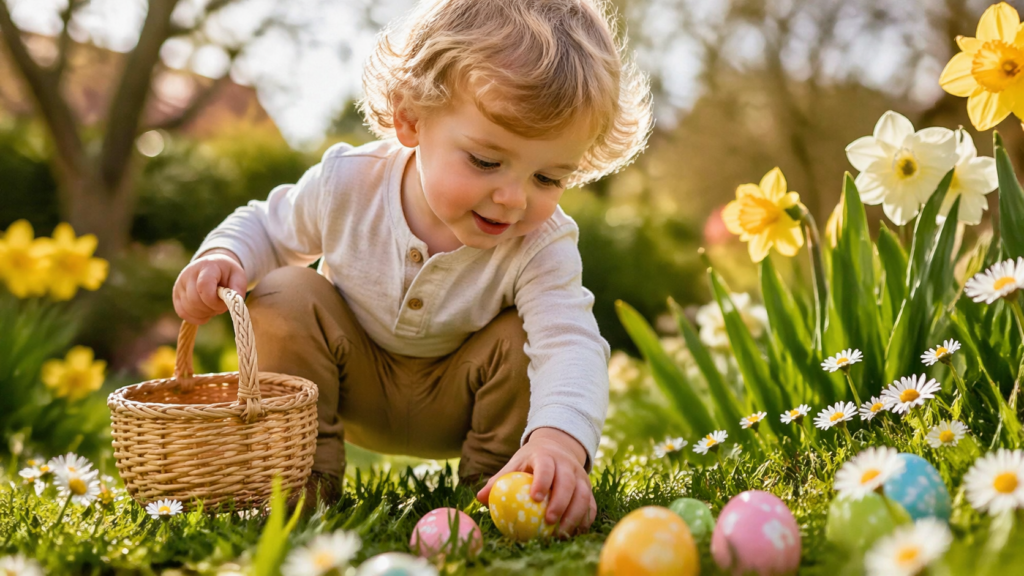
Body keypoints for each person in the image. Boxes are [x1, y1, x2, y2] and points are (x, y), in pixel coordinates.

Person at [172, 0, 652, 537]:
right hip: (349, 381)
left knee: (528, 337)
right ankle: (299, 478)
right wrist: (224, 257)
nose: (513, 197)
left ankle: (505, 487)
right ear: (410, 119)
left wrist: (561, 440)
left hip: (461, 401)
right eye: (486, 162)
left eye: (548, 178)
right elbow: (266, 226)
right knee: (285, 292)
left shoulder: (542, 242)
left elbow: (569, 342)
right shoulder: (347, 184)